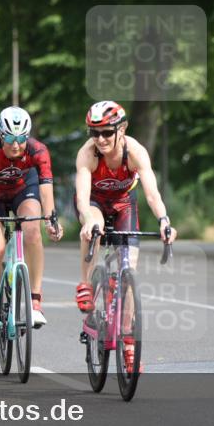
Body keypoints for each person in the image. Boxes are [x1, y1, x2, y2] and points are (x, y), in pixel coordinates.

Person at [73, 101, 176, 372]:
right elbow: (83, 198)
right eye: (94, 133)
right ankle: (85, 283)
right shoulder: (87, 154)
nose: (101, 139)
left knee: (129, 270)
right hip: (94, 203)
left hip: (123, 204)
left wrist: (164, 220)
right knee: (94, 226)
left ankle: (129, 344)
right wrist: (87, 219)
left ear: (122, 129)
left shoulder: (136, 152)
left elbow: (152, 194)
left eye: (107, 132)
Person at [0, 106, 63, 345]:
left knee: (33, 231)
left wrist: (51, 219)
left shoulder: (38, 150)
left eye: (21, 138)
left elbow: (46, 190)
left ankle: (35, 302)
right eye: (10, 138)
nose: (16, 145)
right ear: (1, 135)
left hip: (23, 190)